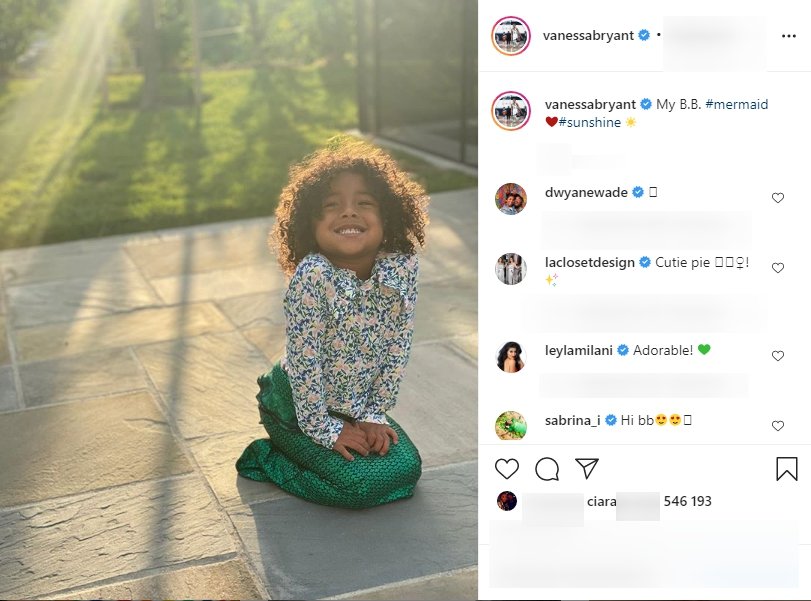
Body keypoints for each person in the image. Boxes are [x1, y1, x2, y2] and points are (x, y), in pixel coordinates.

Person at [236, 137, 429, 509]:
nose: (348, 213)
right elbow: (305, 365)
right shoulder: (313, 277)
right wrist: (325, 430)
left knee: (405, 470)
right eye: (331, 206)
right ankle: (270, 455)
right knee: (359, 487)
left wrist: (372, 414)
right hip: (297, 405)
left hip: (355, 402)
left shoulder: (400, 268)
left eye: (365, 203)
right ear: (311, 224)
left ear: (387, 216)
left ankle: (335, 437)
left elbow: (397, 348)